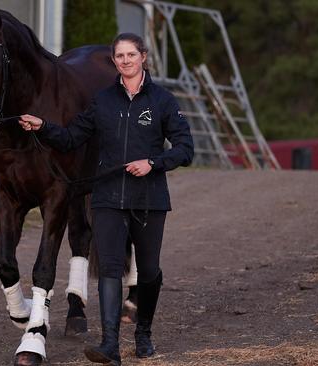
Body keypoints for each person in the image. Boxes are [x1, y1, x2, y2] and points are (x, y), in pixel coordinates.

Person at [19, 33, 194, 364]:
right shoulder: (102, 101)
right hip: (108, 198)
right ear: (114, 61)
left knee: (150, 271)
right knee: (110, 270)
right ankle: (109, 345)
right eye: (119, 56)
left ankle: (143, 334)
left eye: (131, 54)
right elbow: (71, 138)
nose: (125, 60)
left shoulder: (163, 101)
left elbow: (187, 149)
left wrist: (154, 163)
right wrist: (43, 126)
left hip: (149, 200)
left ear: (143, 57)